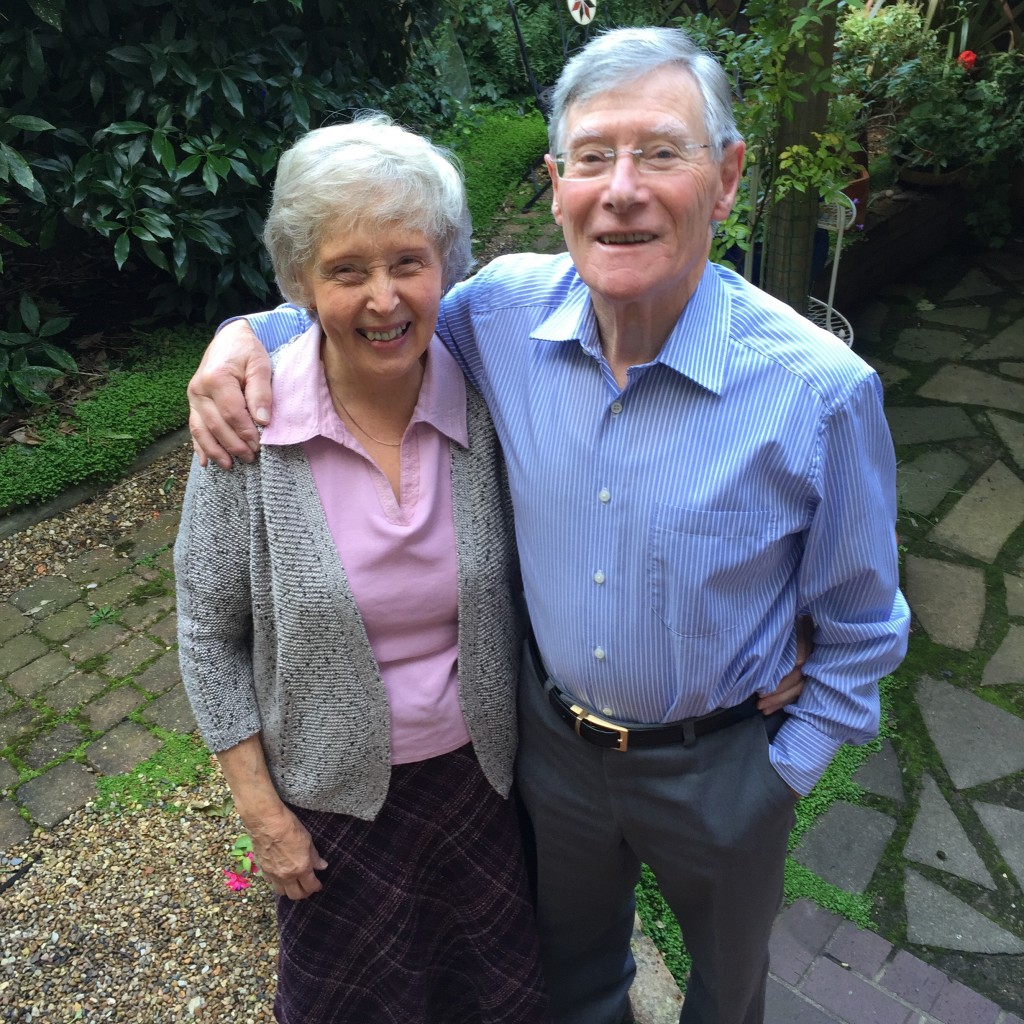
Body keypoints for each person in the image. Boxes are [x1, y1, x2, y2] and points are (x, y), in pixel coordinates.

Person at [186, 27, 909, 1024]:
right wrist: (236, 340)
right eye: (593, 157)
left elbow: (863, 622)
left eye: (661, 152)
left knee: (725, 993)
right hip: (549, 758)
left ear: (727, 177)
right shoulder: (500, 318)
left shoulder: (820, 392)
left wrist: (780, 772)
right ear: (557, 183)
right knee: (571, 989)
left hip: (722, 767)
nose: (622, 189)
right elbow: (357, 309)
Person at [173, 114, 551, 1024]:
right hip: (331, 804)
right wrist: (263, 815)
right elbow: (207, 634)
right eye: (347, 271)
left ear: (445, 265)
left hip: (481, 784)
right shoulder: (247, 430)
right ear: (302, 282)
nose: (384, 299)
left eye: (408, 262)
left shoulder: (490, 396)